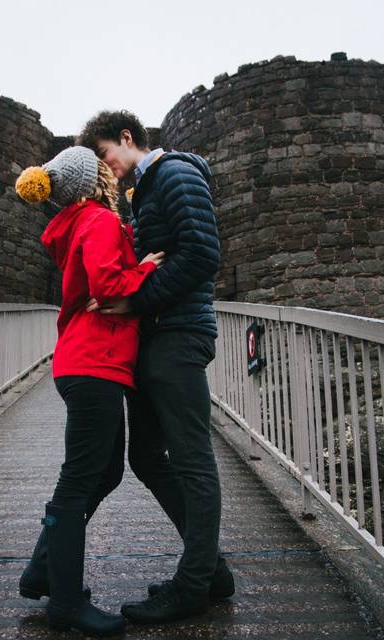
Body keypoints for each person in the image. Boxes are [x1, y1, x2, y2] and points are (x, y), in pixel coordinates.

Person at [79, 111, 234, 624]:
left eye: (105, 155)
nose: (107, 168)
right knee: (147, 456)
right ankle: (209, 570)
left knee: (191, 460)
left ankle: (192, 588)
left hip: (178, 334)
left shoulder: (175, 173)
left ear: (127, 138)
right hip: (155, 334)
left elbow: (202, 254)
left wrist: (135, 304)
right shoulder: (141, 194)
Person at [14, 146, 164, 637]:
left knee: (104, 473)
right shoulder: (98, 220)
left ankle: (43, 571)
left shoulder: (78, 223)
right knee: (80, 479)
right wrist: (144, 268)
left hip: (91, 362)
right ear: (95, 180)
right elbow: (106, 283)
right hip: (93, 362)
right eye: (104, 170)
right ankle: (64, 603)